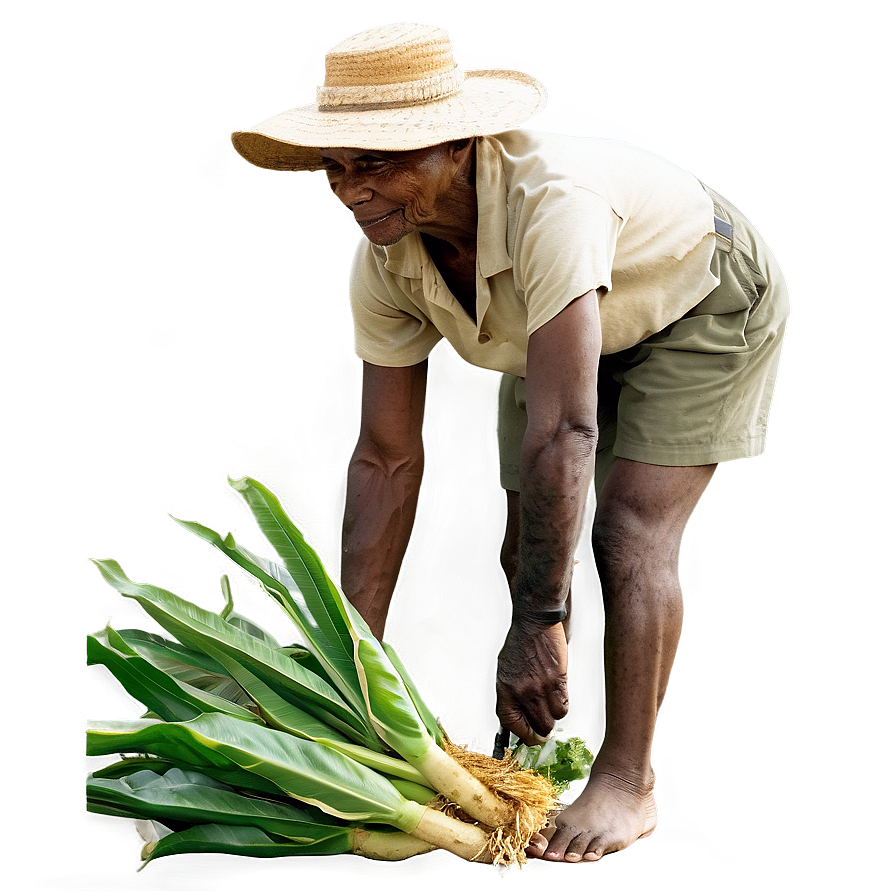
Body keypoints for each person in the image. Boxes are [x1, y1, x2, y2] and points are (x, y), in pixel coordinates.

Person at [231, 20, 790, 864]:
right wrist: (354, 668)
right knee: (524, 538)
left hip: (695, 299)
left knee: (628, 529)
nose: (350, 193)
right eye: (336, 170)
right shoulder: (386, 264)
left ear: (456, 147)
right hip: (561, 324)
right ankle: (534, 746)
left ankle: (630, 783)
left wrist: (536, 624)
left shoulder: (551, 204)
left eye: (375, 164)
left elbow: (565, 429)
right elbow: (386, 458)